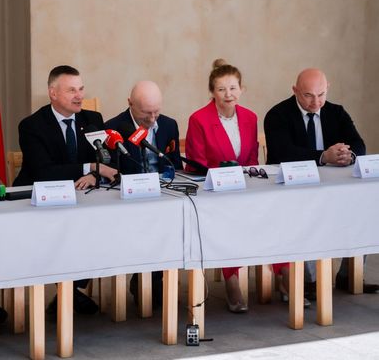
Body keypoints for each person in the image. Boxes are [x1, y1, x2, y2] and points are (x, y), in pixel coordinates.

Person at [185, 59, 293, 313]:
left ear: (242, 89)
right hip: (214, 193)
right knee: (229, 219)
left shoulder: (250, 117)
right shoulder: (198, 119)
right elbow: (196, 163)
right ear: (212, 92)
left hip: (246, 188)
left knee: (274, 213)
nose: (228, 94)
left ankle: (284, 273)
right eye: (221, 89)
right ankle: (232, 279)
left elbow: (252, 159)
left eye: (233, 88)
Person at [264, 67, 378, 298]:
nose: (316, 102)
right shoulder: (278, 114)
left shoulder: (336, 112)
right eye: (308, 95)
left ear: (328, 89)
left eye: (321, 94)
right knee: (305, 217)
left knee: (363, 207)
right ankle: (308, 281)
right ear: (295, 90)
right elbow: (282, 152)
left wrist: (349, 155)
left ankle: (349, 275)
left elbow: (359, 144)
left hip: (334, 188)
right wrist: (323, 157)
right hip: (294, 190)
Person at [13, 65, 118, 314]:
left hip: (79, 199)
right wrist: (90, 167)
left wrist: (93, 174)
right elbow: (44, 172)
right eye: (71, 90)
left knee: (101, 227)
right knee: (62, 235)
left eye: (81, 89)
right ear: (53, 93)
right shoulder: (32, 125)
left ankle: (69, 292)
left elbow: (106, 161)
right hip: (38, 201)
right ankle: (69, 293)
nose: (79, 96)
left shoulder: (93, 120)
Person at [105, 80, 182, 308]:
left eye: (156, 111)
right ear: (130, 103)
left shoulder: (169, 125)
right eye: (146, 113)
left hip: (164, 195)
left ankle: (155, 278)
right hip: (130, 200)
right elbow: (110, 171)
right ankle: (145, 279)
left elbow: (175, 165)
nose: (152, 119)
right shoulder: (113, 128)